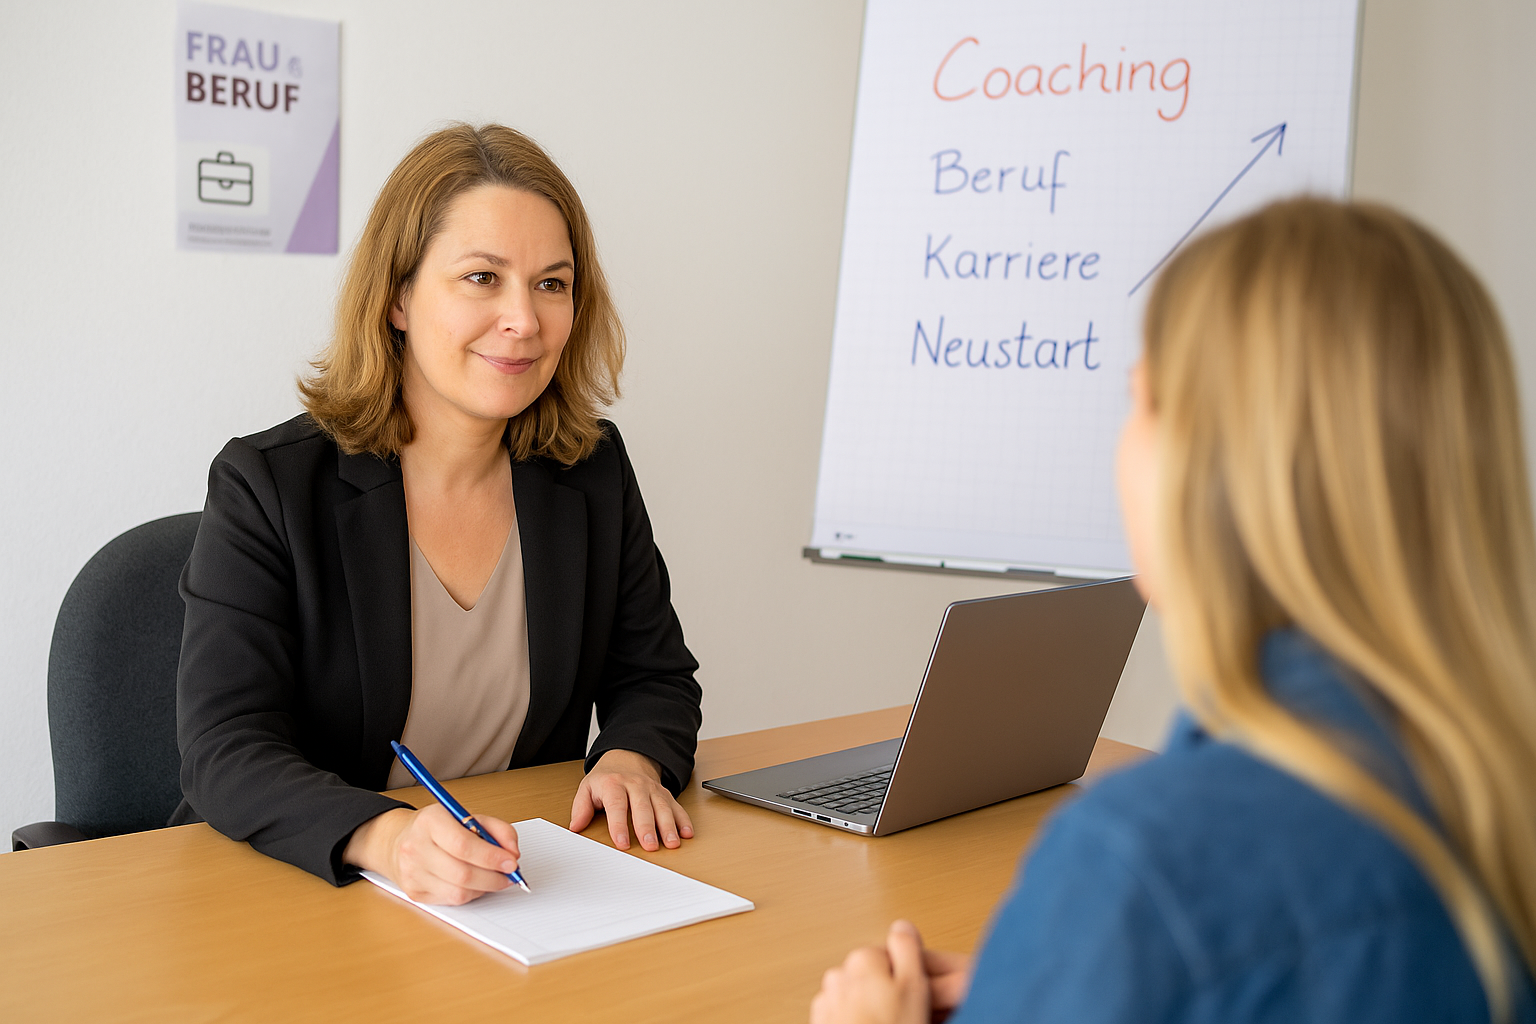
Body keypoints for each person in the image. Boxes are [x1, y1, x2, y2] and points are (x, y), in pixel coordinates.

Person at [811, 199, 1536, 1023]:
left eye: (1141, 401)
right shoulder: (1498, 787)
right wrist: (1077, 974)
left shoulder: (1139, 866)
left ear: (1216, 467)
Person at [173, 123, 703, 906]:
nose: (524, 318)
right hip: (308, 892)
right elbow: (225, 747)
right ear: (397, 297)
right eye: (483, 277)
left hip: (519, 891)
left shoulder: (590, 472)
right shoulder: (268, 486)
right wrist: (387, 837)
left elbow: (654, 677)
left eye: (552, 283)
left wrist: (631, 757)